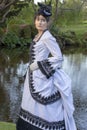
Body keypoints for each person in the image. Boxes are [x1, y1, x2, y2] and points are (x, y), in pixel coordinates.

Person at [16, 2, 77, 130]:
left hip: (42, 76)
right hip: (33, 76)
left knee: (44, 106)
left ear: (47, 23)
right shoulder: (38, 35)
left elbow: (59, 58)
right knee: (31, 104)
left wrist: (38, 64)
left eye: (43, 20)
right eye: (38, 20)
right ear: (35, 21)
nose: (40, 23)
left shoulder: (47, 37)